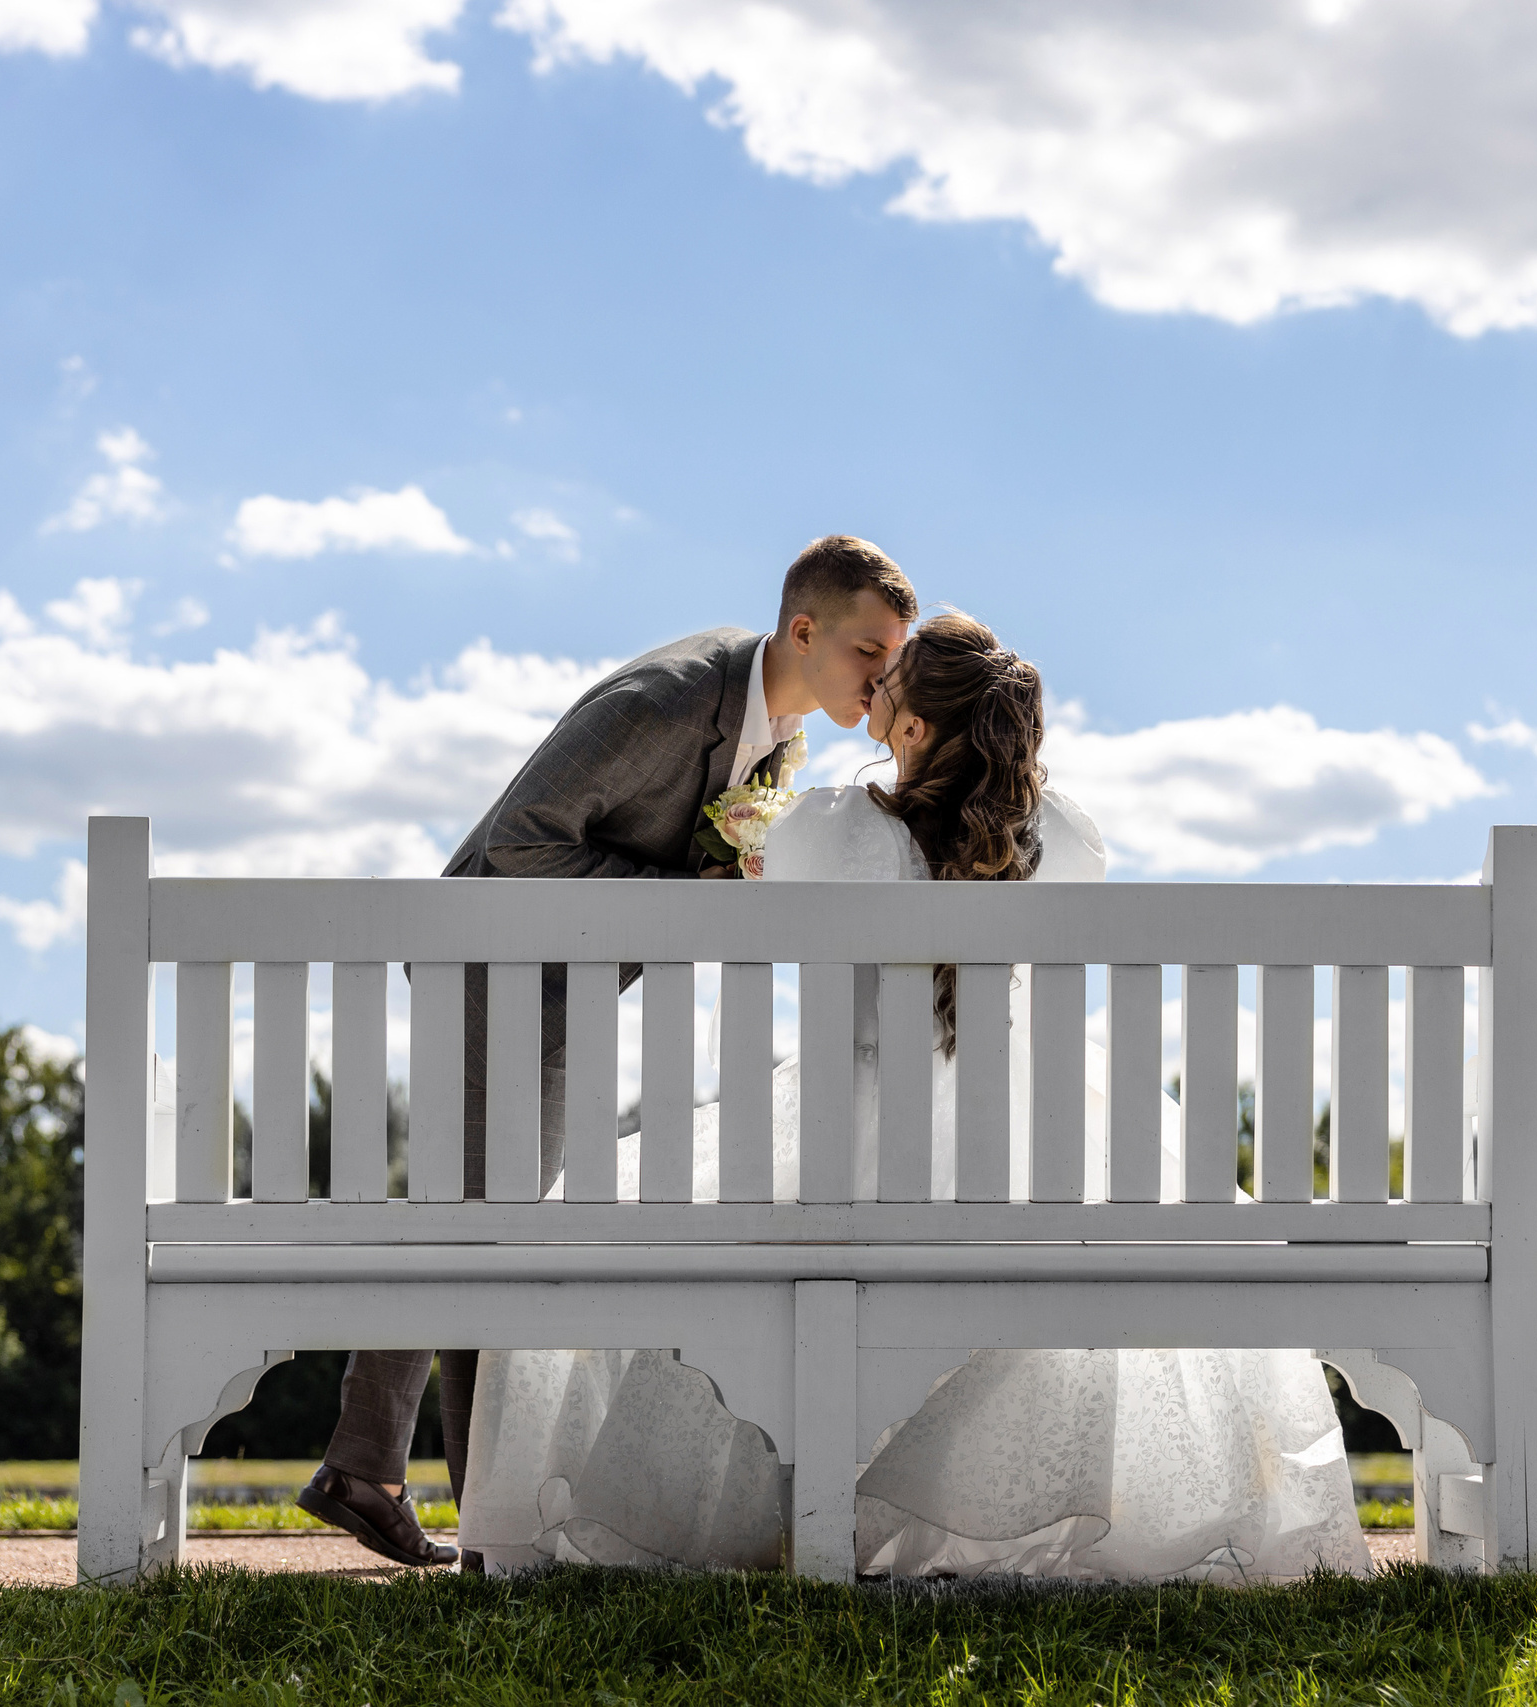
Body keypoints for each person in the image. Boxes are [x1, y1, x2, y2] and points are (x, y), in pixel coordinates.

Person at [457, 614, 1372, 1583]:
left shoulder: (830, 830)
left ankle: (734, 1516)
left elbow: (774, 894)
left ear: (913, 730)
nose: (875, 690)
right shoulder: (1062, 839)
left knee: (678, 1225)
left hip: (840, 1157)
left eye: (891, 684)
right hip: (1031, 1148)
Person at [292, 537, 917, 1568]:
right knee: (473, 1223)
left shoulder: (774, 728)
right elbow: (521, 845)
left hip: (557, 983)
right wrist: (692, 901)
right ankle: (369, 1473)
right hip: (489, 962)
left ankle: (433, 1492)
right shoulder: (671, 701)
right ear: (803, 630)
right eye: (867, 651)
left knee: (489, 1223)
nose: (881, 676)